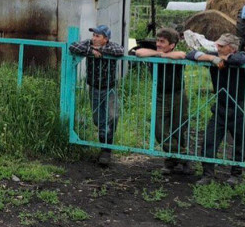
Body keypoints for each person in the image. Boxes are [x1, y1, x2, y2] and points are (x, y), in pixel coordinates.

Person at [186, 33, 245, 185]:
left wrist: (225, 59)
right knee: (209, 140)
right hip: (221, 106)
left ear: (232, 48)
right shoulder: (214, 56)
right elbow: (191, 54)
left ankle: (236, 174)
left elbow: (243, 59)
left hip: (240, 107)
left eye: (222, 46)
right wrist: (212, 59)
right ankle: (207, 175)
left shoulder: (239, 56)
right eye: (218, 45)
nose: (217, 47)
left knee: (240, 142)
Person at [134, 28, 192, 176]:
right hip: (161, 96)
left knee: (178, 128)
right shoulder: (155, 52)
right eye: (157, 40)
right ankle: (183, 156)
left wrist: (161, 55)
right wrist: (160, 54)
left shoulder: (177, 53)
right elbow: (138, 52)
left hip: (178, 95)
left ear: (172, 45)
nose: (158, 44)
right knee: (159, 129)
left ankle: (172, 162)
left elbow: (181, 55)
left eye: (162, 42)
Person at [69, 25, 124, 166]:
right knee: (98, 119)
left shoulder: (112, 46)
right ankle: (104, 145)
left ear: (106, 39)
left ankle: (106, 151)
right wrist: (91, 50)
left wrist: (102, 51)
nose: (94, 38)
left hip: (109, 89)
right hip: (94, 89)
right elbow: (73, 47)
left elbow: (120, 51)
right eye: (93, 35)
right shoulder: (88, 44)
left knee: (112, 116)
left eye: (97, 36)